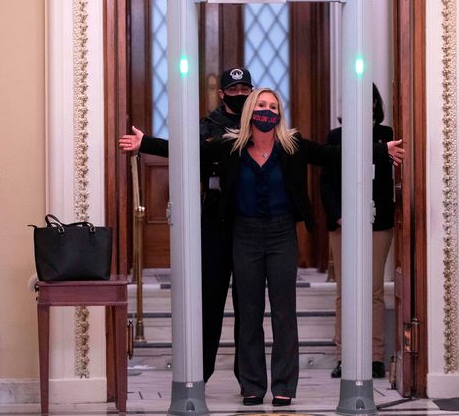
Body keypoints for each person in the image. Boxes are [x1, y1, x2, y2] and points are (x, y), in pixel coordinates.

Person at [120, 88, 404, 406]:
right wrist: (145, 143)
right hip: (244, 234)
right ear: (250, 111)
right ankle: (252, 385)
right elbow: (190, 151)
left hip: (283, 234)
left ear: (280, 113)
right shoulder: (231, 146)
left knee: (284, 312)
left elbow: (331, 154)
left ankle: (284, 385)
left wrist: (380, 150)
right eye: (261, 105)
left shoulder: (292, 145)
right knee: (250, 312)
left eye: (273, 106)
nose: (267, 111)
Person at [321, 84, 397, 379]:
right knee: (346, 291)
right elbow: (326, 182)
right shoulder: (336, 137)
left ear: (376, 104)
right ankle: (345, 356)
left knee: (374, 290)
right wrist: (338, 215)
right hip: (343, 225)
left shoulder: (388, 136)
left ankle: (376, 356)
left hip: (378, 223)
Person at [200, 67, 253, 384]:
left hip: (249, 219)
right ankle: (200, 373)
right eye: (233, 90)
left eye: (246, 89)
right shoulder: (209, 126)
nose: (241, 95)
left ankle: (247, 376)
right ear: (222, 94)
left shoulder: (261, 123)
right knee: (211, 301)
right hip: (215, 220)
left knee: (248, 304)